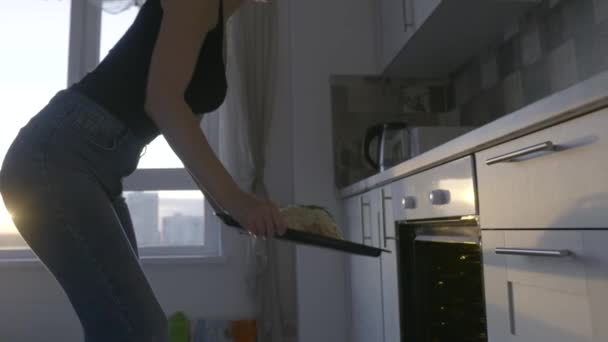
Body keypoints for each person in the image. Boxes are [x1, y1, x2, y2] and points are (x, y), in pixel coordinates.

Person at [0, 0, 286, 341]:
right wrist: (239, 201)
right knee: (140, 329)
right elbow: (163, 102)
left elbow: (186, 129)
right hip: (55, 159)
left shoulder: (217, 21)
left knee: (130, 328)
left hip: (92, 168)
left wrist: (228, 209)